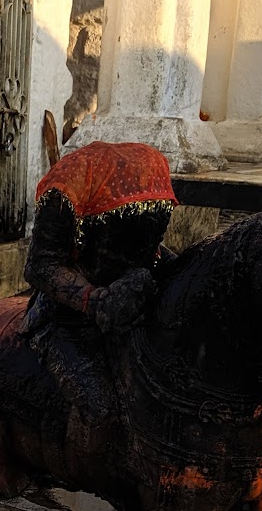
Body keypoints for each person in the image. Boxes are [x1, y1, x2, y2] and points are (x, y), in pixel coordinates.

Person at [20, 142, 178, 416]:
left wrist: (182, 269)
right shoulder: (67, 189)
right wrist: (97, 301)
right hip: (68, 318)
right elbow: (40, 265)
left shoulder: (150, 182)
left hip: (139, 306)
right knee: (97, 407)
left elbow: (149, 248)